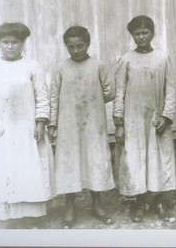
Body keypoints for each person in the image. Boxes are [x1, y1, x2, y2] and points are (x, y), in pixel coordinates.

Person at [0, 22, 54, 229]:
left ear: (22, 43)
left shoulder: (32, 66)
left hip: (26, 128)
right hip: (2, 129)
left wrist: (40, 122)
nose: (9, 46)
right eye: (5, 42)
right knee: (6, 169)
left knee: (28, 168)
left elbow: (42, 97)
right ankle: (8, 216)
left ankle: (30, 215)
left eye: (14, 42)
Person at [47, 26, 115, 228]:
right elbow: (54, 97)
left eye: (80, 46)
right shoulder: (61, 67)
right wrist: (52, 123)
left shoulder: (98, 65)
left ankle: (97, 204)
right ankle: (70, 207)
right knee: (70, 163)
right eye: (71, 47)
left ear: (88, 44)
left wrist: (91, 101)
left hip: (94, 124)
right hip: (68, 125)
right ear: (66, 47)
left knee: (95, 160)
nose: (76, 50)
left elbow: (110, 91)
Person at [113, 15, 176, 222]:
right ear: (132, 35)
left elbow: (171, 90)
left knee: (157, 160)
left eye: (145, 33)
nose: (141, 37)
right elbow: (119, 93)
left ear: (152, 33)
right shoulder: (126, 60)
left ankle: (158, 201)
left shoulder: (162, 58)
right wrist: (120, 124)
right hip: (133, 121)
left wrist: (166, 117)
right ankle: (140, 203)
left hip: (156, 120)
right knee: (136, 160)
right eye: (137, 34)